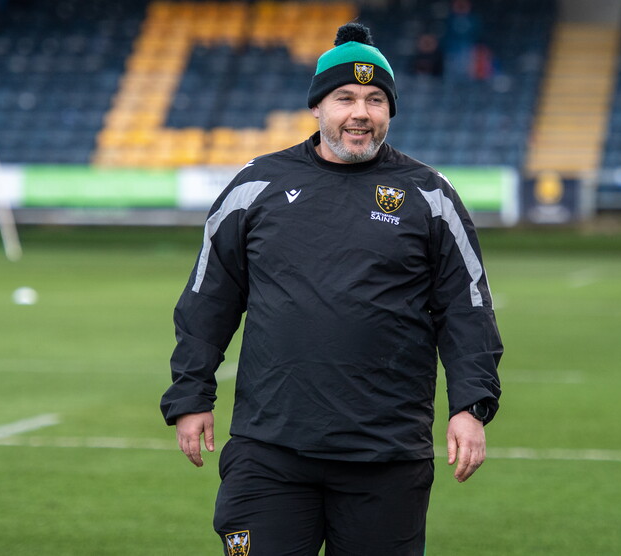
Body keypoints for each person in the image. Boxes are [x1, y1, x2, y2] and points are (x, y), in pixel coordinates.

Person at [160, 22, 503, 555]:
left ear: (390, 110)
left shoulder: (430, 195)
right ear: (317, 106)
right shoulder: (256, 185)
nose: (360, 113)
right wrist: (190, 393)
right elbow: (209, 297)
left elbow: (467, 308)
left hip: (386, 456)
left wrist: (470, 406)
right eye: (345, 98)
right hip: (269, 448)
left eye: (374, 100)